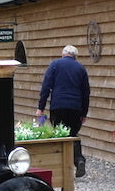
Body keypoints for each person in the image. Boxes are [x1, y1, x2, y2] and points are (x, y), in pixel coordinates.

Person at [35, 44, 90, 177]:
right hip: (75, 107)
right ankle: (79, 160)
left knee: (59, 135)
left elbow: (46, 87)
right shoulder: (81, 68)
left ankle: (60, 167)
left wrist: (41, 107)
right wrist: (84, 113)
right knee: (72, 134)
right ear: (75, 56)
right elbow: (86, 92)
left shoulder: (54, 65)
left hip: (58, 106)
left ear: (62, 54)